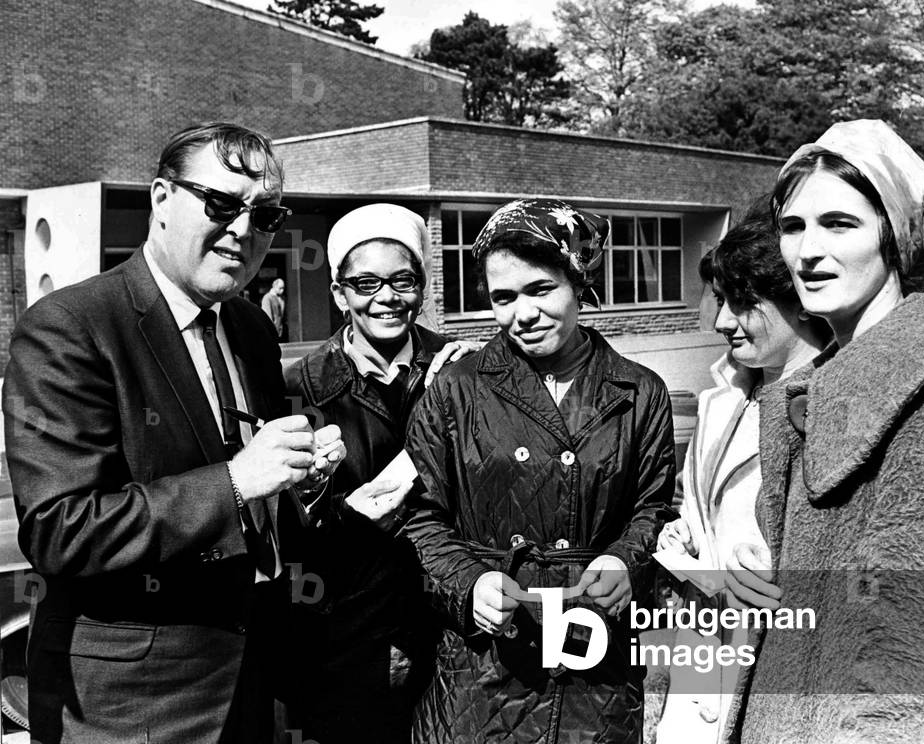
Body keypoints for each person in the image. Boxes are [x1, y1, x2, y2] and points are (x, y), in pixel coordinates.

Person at [1, 122, 343, 744]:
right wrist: (238, 480)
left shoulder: (250, 328)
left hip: (248, 684)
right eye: (220, 205)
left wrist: (301, 483)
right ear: (160, 199)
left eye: (265, 215)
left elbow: (251, 510)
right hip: (129, 709)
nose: (243, 229)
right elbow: (59, 529)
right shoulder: (69, 329)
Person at [729, 120, 924, 742]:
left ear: (895, 236)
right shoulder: (819, 382)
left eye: (840, 224)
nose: (807, 250)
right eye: (792, 226)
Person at [403, 198, 676, 743]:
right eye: (503, 298)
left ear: (578, 281)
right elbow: (420, 517)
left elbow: (653, 508)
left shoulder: (639, 392)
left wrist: (625, 561)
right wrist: (470, 583)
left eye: (540, 289)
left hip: (595, 659)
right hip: (484, 669)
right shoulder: (457, 390)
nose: (521, 315)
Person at [281, 203, 476, 743]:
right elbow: (291, 537)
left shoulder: (465, 369)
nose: (386, 298)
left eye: (402, 281)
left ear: (422, 288)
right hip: (349, 636)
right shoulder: (300, 388)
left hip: (454, 622)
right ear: (339, 293)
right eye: (365, 283)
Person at [654, 200, 830, 744]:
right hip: (702, 660)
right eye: (720, 301)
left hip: (780, 671)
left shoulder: (835, 408)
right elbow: (697, 506)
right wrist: (684, 533)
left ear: (799, 303)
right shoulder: (722, 401)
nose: (721, 322)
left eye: (743, 303)